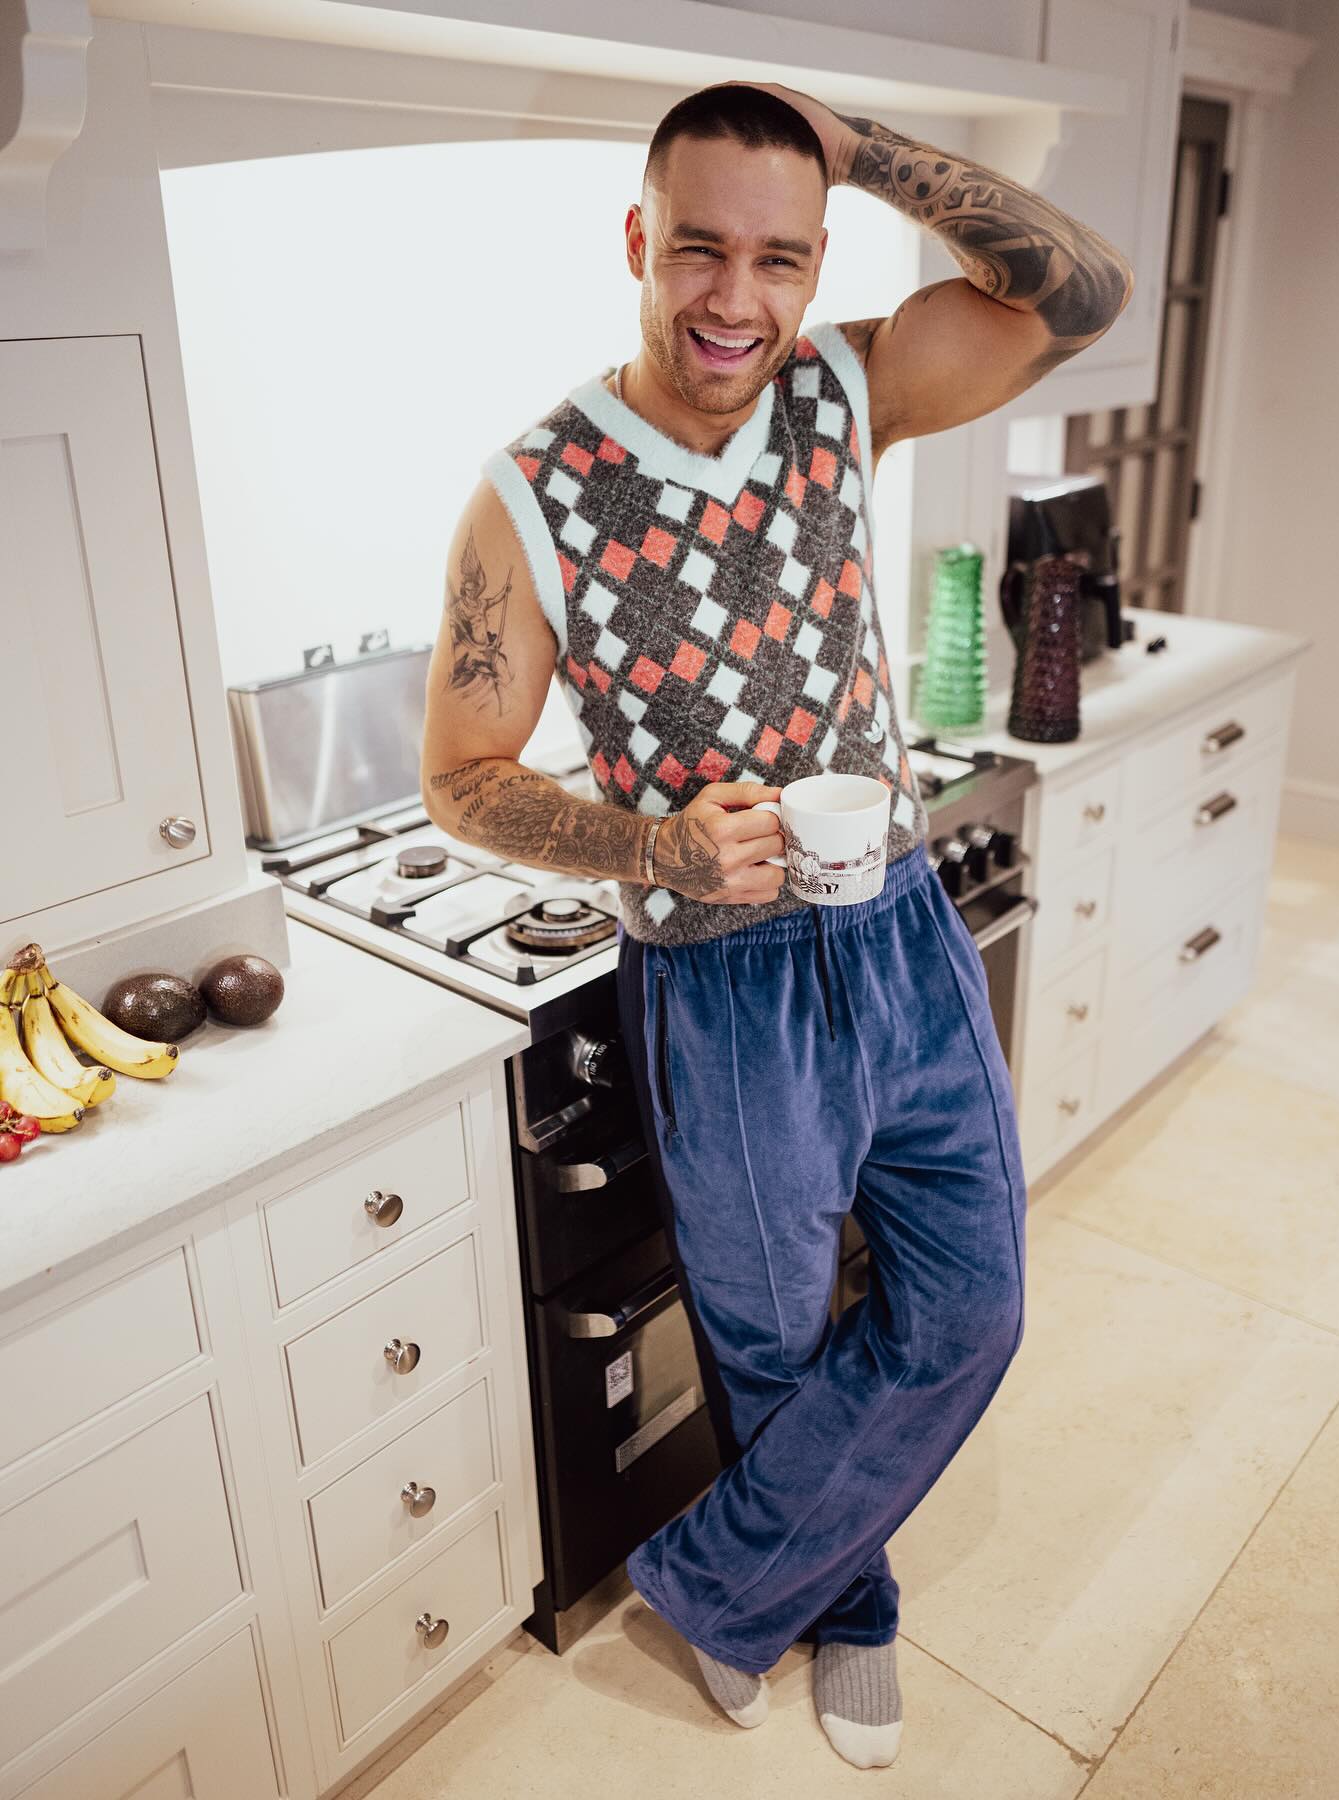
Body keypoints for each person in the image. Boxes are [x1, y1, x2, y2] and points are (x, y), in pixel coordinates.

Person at [421, 81, 1133, 1768]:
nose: (734, 298)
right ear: (636, 241)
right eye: (697, 250)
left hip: (899, 934)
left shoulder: (844, 387)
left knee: (969, 1305)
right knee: (770, 1342)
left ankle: (716, 1582)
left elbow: (1083, 296)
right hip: (721, 982)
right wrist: (651, 842)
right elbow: (460, 776)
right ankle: (846, 1604)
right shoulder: (535, 490)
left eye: (779, 257)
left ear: (818, 262)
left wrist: (856, 147)